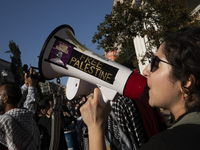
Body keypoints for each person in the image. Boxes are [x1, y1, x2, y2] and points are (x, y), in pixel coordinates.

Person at [80, 26, 200, 150]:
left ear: (187, 82)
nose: (145, 70)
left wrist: (95, 126)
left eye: (155, 63)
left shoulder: (165, 144)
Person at [0, 68, 40, 149]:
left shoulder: (5, 120)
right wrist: (29, 85)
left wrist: (29, 86)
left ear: (5, 98)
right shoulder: (26, 115)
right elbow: (17, 97)